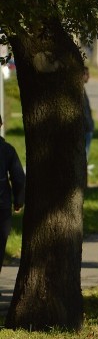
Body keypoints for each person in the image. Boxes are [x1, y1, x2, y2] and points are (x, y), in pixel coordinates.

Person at [0, 118, 25, 275]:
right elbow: (18, 178)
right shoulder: (7, 150)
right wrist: (18, 201)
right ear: (1, 125)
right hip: (2, 205)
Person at [82, 66, 94, 170]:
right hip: (85, 128)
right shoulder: (79, 91)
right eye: (87, 74)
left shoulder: (82, 90)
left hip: (88, 127)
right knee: (83, 157)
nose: (89, 76)